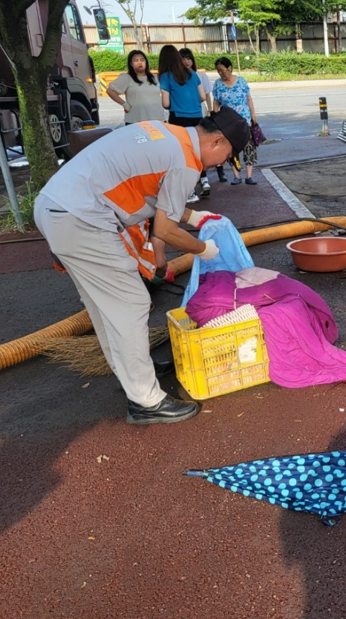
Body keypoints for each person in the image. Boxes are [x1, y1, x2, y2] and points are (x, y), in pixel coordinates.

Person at [33, 107, 250, 425]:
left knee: (105, 305)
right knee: (131, 302)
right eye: (226, 156)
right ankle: (146, 401)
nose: (220, 164)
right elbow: (164, 230)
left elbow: (149, 191)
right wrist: (204, 249)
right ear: (217, 141)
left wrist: (192, 216)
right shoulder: (186, 162)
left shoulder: (165, 132)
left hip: (58, 205)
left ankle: (132, 373)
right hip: (81, 217)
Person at [158, 44, 207, 200]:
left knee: (182, 153)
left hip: (178, 117)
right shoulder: (192, 74)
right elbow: (203, 97)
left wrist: (177, 101)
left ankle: (190, 191)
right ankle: (204, 180)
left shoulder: (166, 76)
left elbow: (165, 104)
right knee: (197, 150)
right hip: (197, 116)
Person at [180, 48, 226, 184]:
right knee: (192, 146)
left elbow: (206, 95)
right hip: (186, 115)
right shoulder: (177, 78)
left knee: (209, 141)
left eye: (189, 58)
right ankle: (199, 175)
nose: (186, 61)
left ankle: (219, 169)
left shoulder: (200, 76)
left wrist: (210, 111)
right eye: (183, 59)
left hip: (201, 113)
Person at [212, 56, 258, 186]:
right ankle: (236, 175)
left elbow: (249, 99)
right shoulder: (218, 84)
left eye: (222, 70)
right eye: (218, 71)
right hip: (227, 123)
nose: (221, 73)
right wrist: (215, 118)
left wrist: (253, 115)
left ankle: (249, 175)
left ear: (229, 68)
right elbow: (216, 102)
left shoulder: (241, 81)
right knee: (232, 150)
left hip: (244, 121)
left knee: (249, 147)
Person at [106, 50, 164, 126]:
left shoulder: (155, 77)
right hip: (136, 120)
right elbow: (110, 91)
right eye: (136, 60)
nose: (140, 62)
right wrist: (125, 105)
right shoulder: (126, 78)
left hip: (157, 119)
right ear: (131, 64)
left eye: (142, 60)